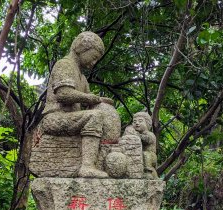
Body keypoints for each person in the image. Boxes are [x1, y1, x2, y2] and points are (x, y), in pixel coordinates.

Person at [39, 31, 120, 178]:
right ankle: (87, 166)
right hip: (55, 118)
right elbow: (63, 94)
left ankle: (100, 160)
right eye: (94, 57)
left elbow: (89, 100)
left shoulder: (82, 78)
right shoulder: (64, 65)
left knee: (97, 114)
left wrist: (100, 101)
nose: (94, 62)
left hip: (71, 119)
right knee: (94, 117)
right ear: (82, 48)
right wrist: (90, 98)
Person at [124, 110, 158, 179]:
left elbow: (147, 140)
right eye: (134, 121)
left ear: (147, 123)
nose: (137, 123)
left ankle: (148, 172)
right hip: (138, 156)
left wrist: (137, 135)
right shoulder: (136, 134)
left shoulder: (150, 134)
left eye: (140, 121)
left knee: (145, 155)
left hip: (150, 156)